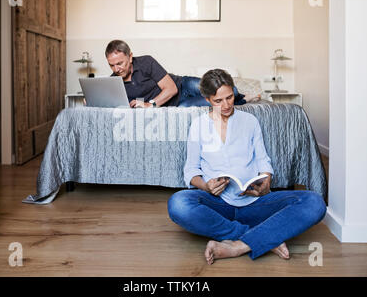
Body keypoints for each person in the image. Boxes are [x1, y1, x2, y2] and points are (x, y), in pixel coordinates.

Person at [167, 69, 327, 263]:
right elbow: (191, 170)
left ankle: (238, 246)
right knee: (178, 204)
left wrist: (266, 179)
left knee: (314, 203)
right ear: (207, 99)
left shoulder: (250, 121)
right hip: (218, 204)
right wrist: (206, 186)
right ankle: (262, 236)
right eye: (219, 101)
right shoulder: (198, 125)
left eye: (229, 97)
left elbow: (263, 160)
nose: (226, 105)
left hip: (254, 203)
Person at [105, 40, 247, 108]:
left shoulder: (145, 62)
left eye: (120, 63)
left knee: (229, 90)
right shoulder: (113, 84)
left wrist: (151, 104)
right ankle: (240, 100)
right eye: (112, 65)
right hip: (178, 103)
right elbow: (117, 104)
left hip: (183, 85)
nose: (116, 69)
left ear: (130, 57)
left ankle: (243, 97)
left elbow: (171, 89)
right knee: (217, 101)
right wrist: (91, 100)